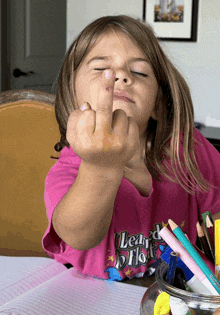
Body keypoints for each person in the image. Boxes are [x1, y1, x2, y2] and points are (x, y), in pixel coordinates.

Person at [42, 15, 220, 282]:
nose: (120, 76)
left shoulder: (190, 149)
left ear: (159, 104)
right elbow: (78, 237)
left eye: (139, 72)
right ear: (72, 93)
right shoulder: (71, 167)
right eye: (101, 67)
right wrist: (101, 166)